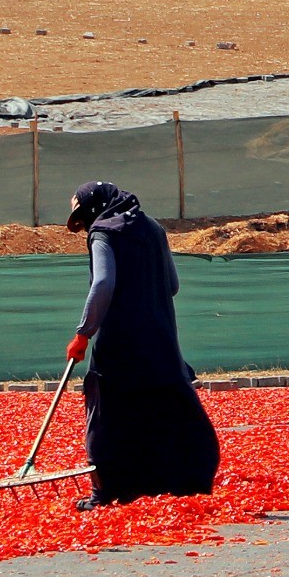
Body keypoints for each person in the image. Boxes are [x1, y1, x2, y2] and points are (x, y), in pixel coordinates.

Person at [65, 181, 219, 511]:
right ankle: (188, 481)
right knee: (170, 407)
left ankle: (105, 492)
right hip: (161, 338)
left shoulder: (103, 233)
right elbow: (172, 285)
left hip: (120, 344)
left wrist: (83, 333)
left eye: (84, 220)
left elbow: (103, 282)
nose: (85, 229)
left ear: (94, 208)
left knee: (106, 417)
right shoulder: (153, 228)